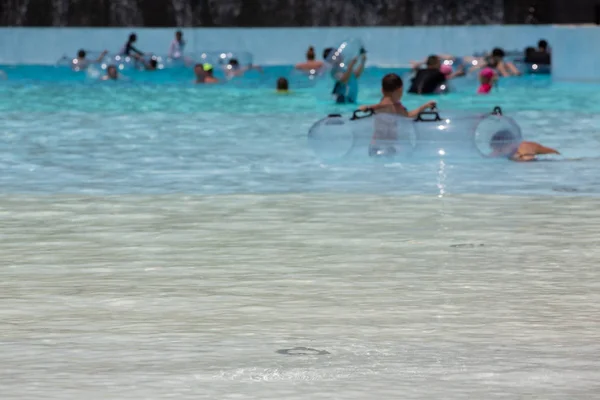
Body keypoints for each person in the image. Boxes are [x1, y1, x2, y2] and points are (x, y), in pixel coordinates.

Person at [359, 73, 436, 157]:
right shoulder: (392, 105)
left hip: (375, 146)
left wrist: (367, 108)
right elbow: (408, 115)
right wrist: (424, 107)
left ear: (382, 90)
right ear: (400, 90)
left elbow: (406, 114)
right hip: (388, 147)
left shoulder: (390, 104)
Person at [489, 130, 560, 162]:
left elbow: (528, 160)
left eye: (499, 150)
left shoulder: (524, 146)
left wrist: (515, 159)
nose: (494, 153)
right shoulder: (511, 151)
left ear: (511, 144)